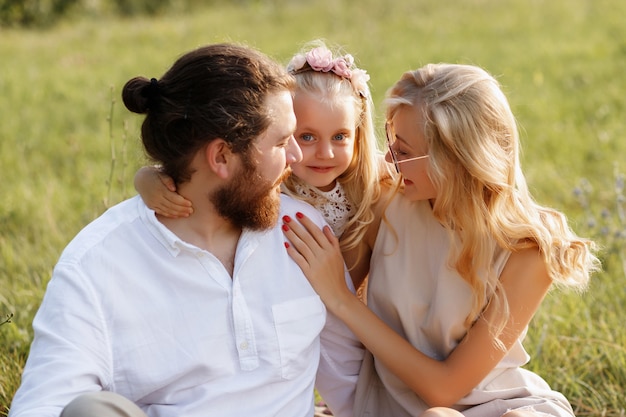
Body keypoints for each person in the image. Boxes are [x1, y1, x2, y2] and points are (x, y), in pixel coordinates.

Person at [8, 43, 362, 417]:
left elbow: (352, 384)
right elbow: (45, 405)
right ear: (221, 157)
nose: (296, 156)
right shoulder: (97, 264)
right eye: (279, 142)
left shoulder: (303, 234)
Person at [280, 63, 600, 417]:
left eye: (403, 151)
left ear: (455, 160)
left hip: (494, 405)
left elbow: (444, 389)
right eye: (391, 142)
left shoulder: (529, 252)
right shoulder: (386, 199)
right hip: (393, 406)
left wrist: (342, 300)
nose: (388, 159)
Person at [134, 40, 394, 292]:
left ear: (358, 136)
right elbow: (197, 174)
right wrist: (147, 179)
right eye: (306, 137)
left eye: (339, 137)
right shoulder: (270, 178)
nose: (325, 153)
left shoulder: (365, 184)